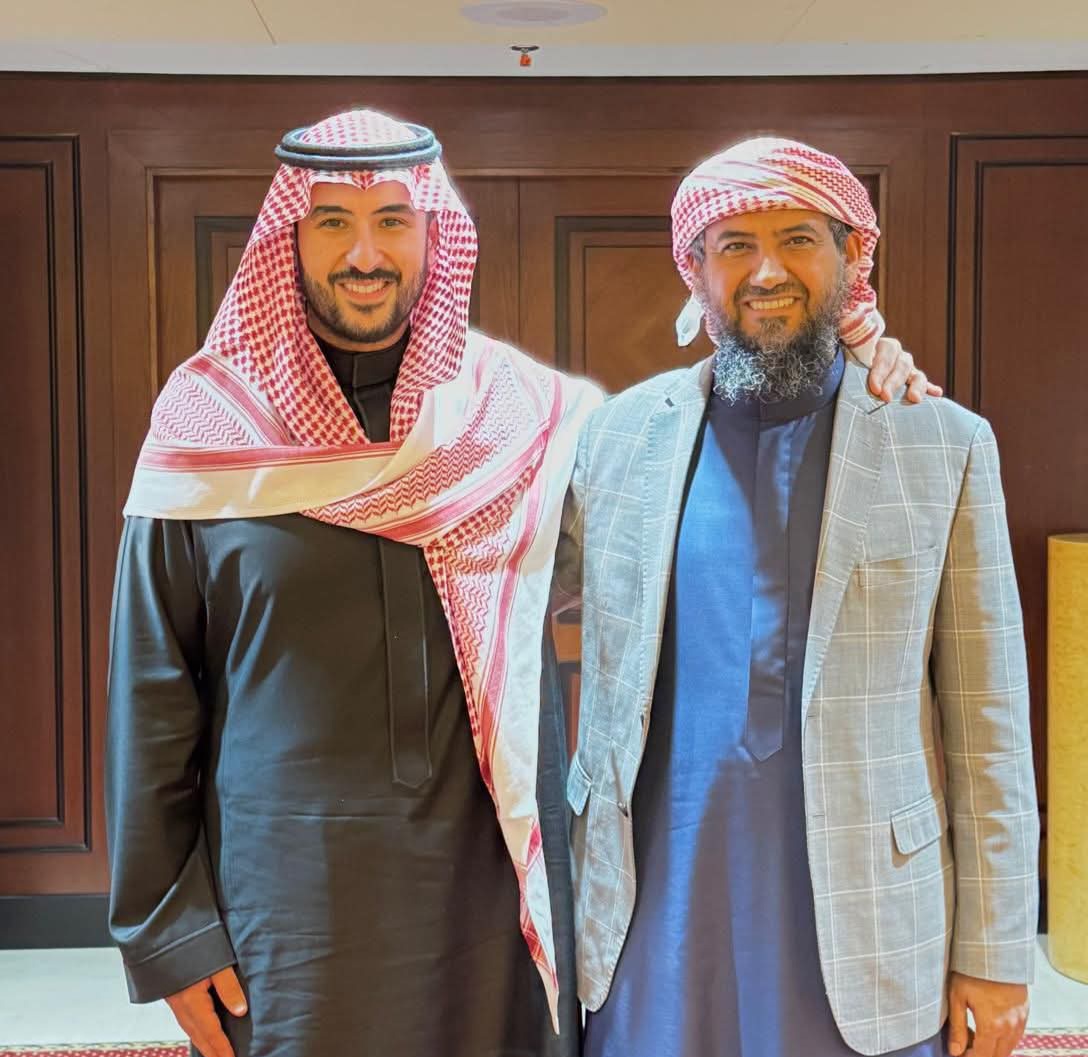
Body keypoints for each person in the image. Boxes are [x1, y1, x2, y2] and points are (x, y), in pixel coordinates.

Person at [105, 109, 597, 1057]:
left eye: (392, 220)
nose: (364, 253)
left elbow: (669, 508)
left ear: (432, 234)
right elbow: (153, 692)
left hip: (488, 882)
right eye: (332, 221)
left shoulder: (514, 418)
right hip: (287, 899)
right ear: (288, 236)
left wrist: (859, 376)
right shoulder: (206, 428)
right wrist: (169, 929)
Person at [555, 138, 1038, 1057]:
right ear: (695, 269)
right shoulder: (614, 439)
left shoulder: (939, 443)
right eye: (735, 244)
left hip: (863, 926)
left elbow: (989, 724)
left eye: (799, 239)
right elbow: (502, 592)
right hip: (656, 917)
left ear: (852, 256)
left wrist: (997, 950)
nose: (766, 271)